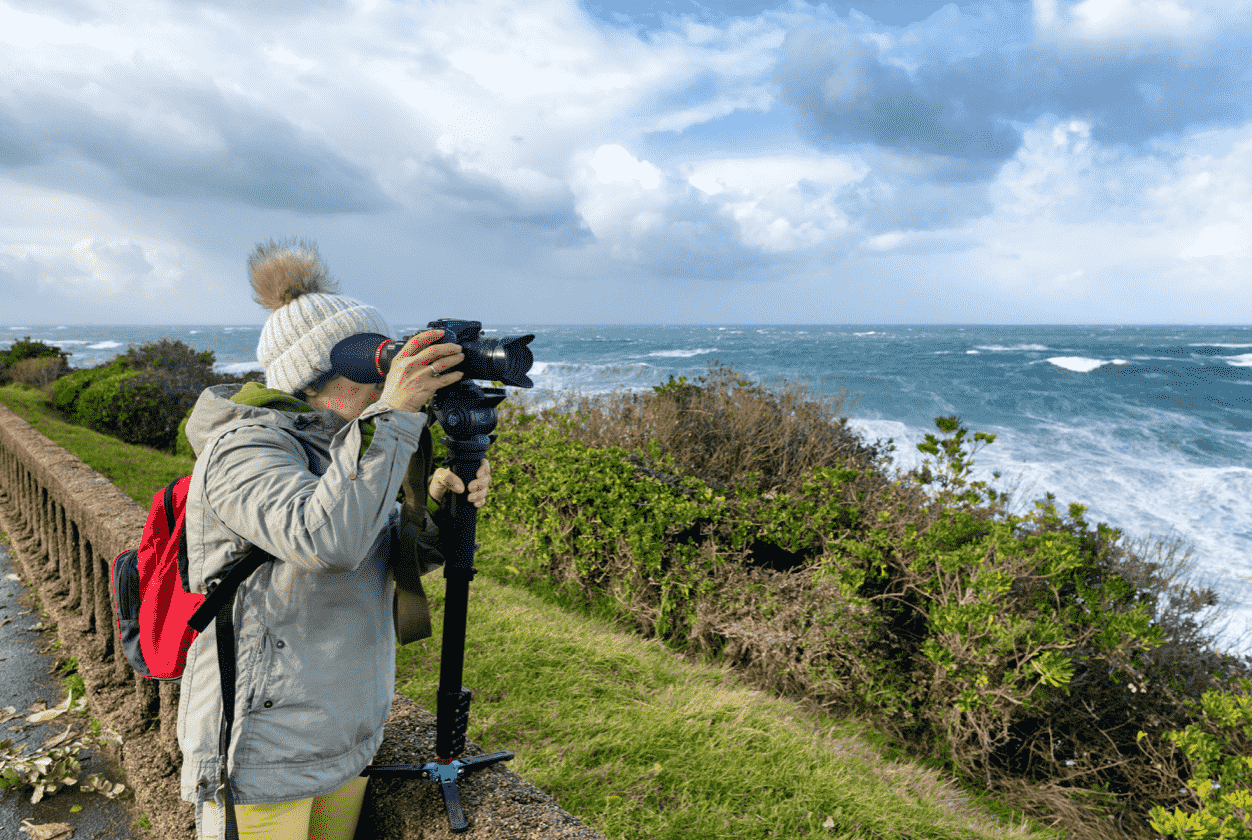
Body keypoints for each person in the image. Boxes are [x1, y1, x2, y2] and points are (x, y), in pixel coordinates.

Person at [177, 239, 492, 840]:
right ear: (324, 383)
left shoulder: (349, 444)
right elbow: (327, 541)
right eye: (377, 369)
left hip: (346, 735)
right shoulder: (244, 448)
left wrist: (440, 512)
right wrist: (395, 413)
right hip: (263, 751)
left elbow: (384, 556)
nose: (390, 379)